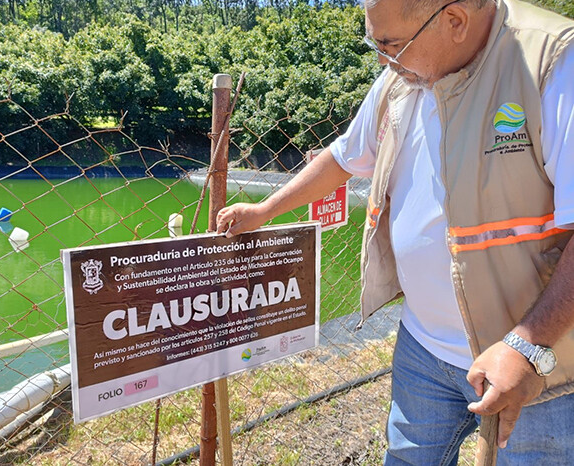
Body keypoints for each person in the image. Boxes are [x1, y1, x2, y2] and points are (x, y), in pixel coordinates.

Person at [215, 0, 574, 463]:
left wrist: (527, 347)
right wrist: (266, 209)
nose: (383, 61)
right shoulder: (404, 78)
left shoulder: (552, 63)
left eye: (390, 45)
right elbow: (345, 157)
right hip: (423, 349)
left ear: (455, 20)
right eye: (376, 44)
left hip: (539, 370)